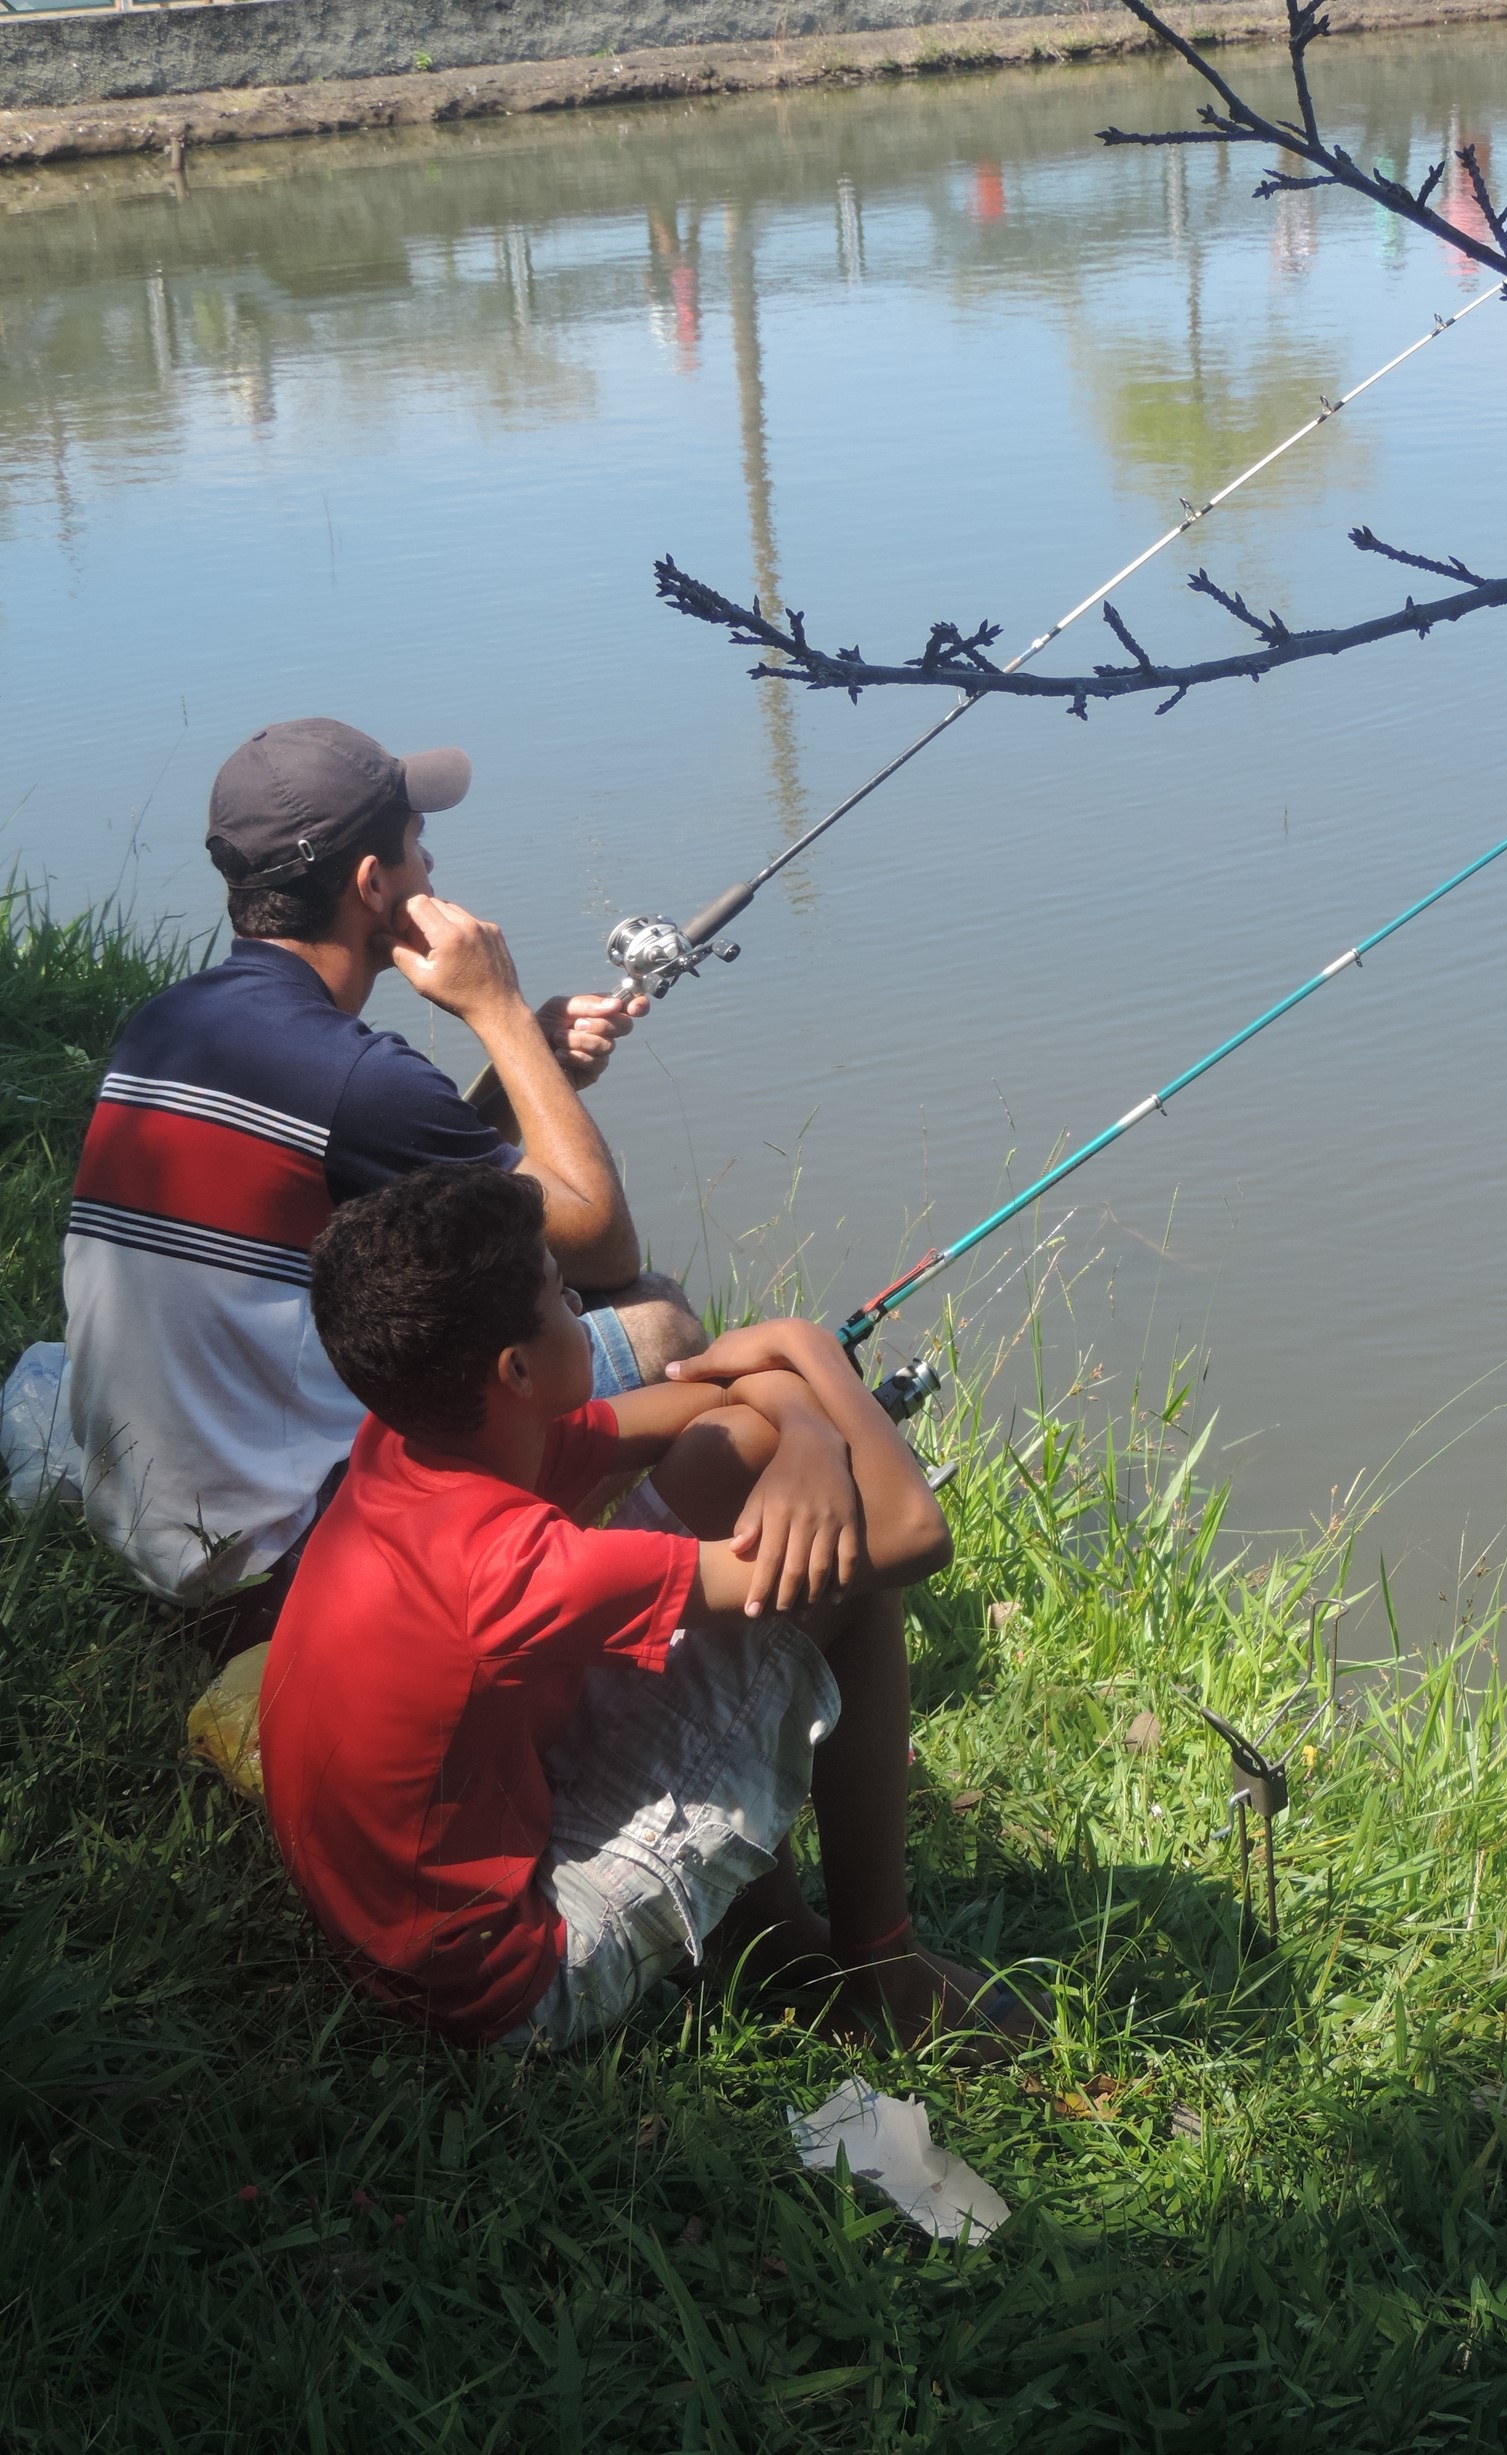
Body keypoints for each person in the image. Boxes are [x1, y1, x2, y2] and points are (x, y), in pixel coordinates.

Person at [260, 1163, 1013, 2055]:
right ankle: (881, 1973)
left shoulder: (418, 1432)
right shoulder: (506, 1570)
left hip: (425, 1890)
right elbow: (911, 1533)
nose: (579, 1300)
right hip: (509, 1982)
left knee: (734, 1448)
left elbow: (718, 1408)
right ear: (516, 1367)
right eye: (558, 1294)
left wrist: (804, 1434)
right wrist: (808, 1349)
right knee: (847, 1570)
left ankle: (760, 1920)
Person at [61, 716, 700, 1644]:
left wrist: (536, 1077)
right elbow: (602, 1239)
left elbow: (415, 1199)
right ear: (375, 885)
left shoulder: (166, 1024)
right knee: (657, 1314)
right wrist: (503, 1012)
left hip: (143, 1533)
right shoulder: (354, 1078)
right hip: (276, 1568)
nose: (432, 868)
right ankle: (614, 1609)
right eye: (416, 845)